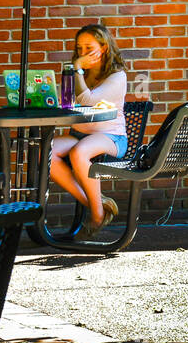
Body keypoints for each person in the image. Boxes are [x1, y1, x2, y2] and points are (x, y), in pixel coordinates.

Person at [48, 24, 128, 234]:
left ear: (103, 48)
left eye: (88, 47)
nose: (82, 53)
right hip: (79, 134)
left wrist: (76, 68)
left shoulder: (117, 76)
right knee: (44, 153)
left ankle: (97, 216)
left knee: (79, 153)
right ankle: (96, 203)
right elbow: (67, 101)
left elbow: (88, 101)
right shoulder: (78, 72)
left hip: (110, 136)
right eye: (79, 48)